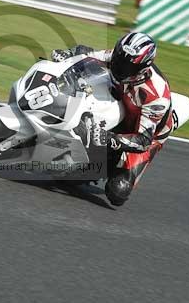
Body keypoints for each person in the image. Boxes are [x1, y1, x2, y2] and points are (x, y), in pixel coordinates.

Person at [51, 32, 173, 206]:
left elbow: (143, 141)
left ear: (142, 69)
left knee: (118, 192)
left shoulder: (156, 96)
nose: (119, 67)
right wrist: (67, 55)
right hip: (120, 107)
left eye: (127, 67)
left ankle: (104, 165)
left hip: (144, 133)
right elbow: (86, 55)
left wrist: (109, 139)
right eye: (118, 60)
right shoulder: (121, 57)